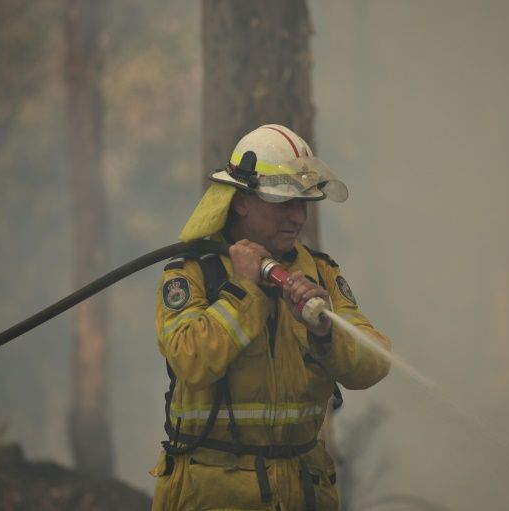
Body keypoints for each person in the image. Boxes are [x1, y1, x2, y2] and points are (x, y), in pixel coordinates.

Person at [150, 124, 391, 510]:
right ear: (242, 200)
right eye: (284, 203)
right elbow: (189, 361)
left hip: (304, 490)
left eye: (305, 204)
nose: (298, 218)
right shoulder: (193, 274)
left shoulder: (321, 274)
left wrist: (325, 333)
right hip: (215, 495)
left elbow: (374, 362)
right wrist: (244, 292)